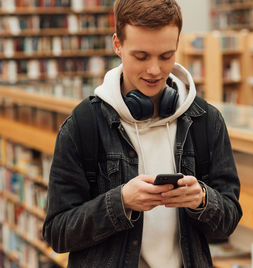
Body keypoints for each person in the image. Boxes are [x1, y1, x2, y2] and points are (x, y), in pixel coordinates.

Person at [42, 0, 242, 267]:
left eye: (166, 56)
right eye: (141, 56)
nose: (154, 70)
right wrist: (121, 202)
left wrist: (203, 200)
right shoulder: (84, 124)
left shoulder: (206, 121)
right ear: (117, 45)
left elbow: (227, 223)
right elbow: (57, 233)